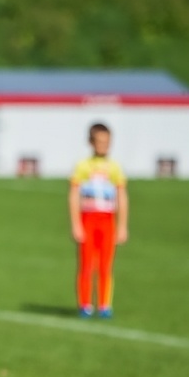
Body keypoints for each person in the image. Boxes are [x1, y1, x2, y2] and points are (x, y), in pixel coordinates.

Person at [69, 123, 128, 319]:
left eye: (107, 142)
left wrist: (122, 226)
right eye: (100, 141)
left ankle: (104, 305)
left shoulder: (114, 168)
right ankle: (85, 304)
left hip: (107, 219)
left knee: (105, 265)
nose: (103, 145)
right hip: (88, 218)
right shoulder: (83, 166)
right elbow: (74, 194)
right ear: (91, 142)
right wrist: (76, 223)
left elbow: (122, 196)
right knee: (86, 265)